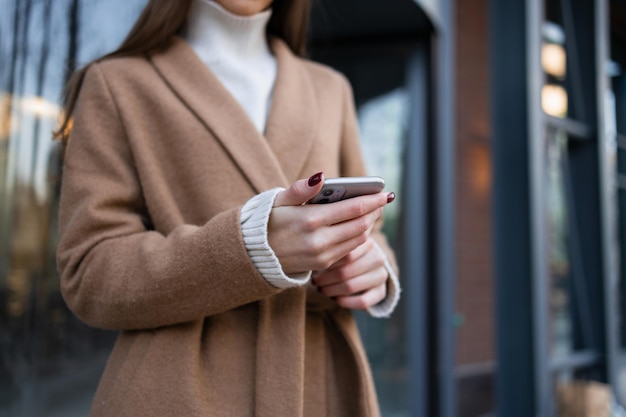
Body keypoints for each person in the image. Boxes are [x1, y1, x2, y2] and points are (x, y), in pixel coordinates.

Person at [55, 0, 401, 415]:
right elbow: (89, 272)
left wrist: (373, 269)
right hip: (179, 391)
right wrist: (249, 247)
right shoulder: (118, 83)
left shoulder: (330, 89)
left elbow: (370, 230)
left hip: (321, 386)